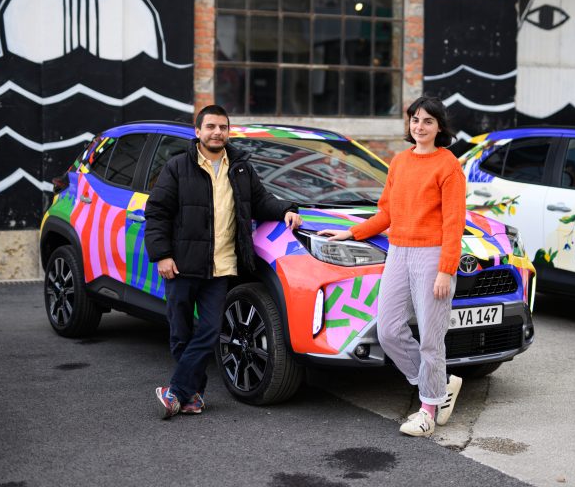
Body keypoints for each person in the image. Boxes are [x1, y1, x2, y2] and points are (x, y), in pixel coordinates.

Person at [318, 96, 466, 437]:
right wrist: (351, 231)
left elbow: (453, 223)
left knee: (431, 337)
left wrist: (446, 268)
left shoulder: (448, 166)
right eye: (415, 120)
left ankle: (428, 409)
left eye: (428, 121)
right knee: (388, 330)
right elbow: (387, 213)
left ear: (439, 127)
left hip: (432, 256)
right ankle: (437, 387)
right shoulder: (399, 162)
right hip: (398, 252)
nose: (420, 126)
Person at [145, 104, 302, 419]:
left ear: (228, 132)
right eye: (211, 127)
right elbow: (157, 212)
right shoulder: (177, 167)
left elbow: (260, 201)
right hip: (181, 265)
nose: (217, 132)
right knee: (180, 333)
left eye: (222, 127)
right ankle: (193, 396)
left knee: (209, 331)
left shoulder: (241, 168)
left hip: (222, 267)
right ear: (198, 132)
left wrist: (288, 208)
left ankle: (175, 391)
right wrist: (162, 255)